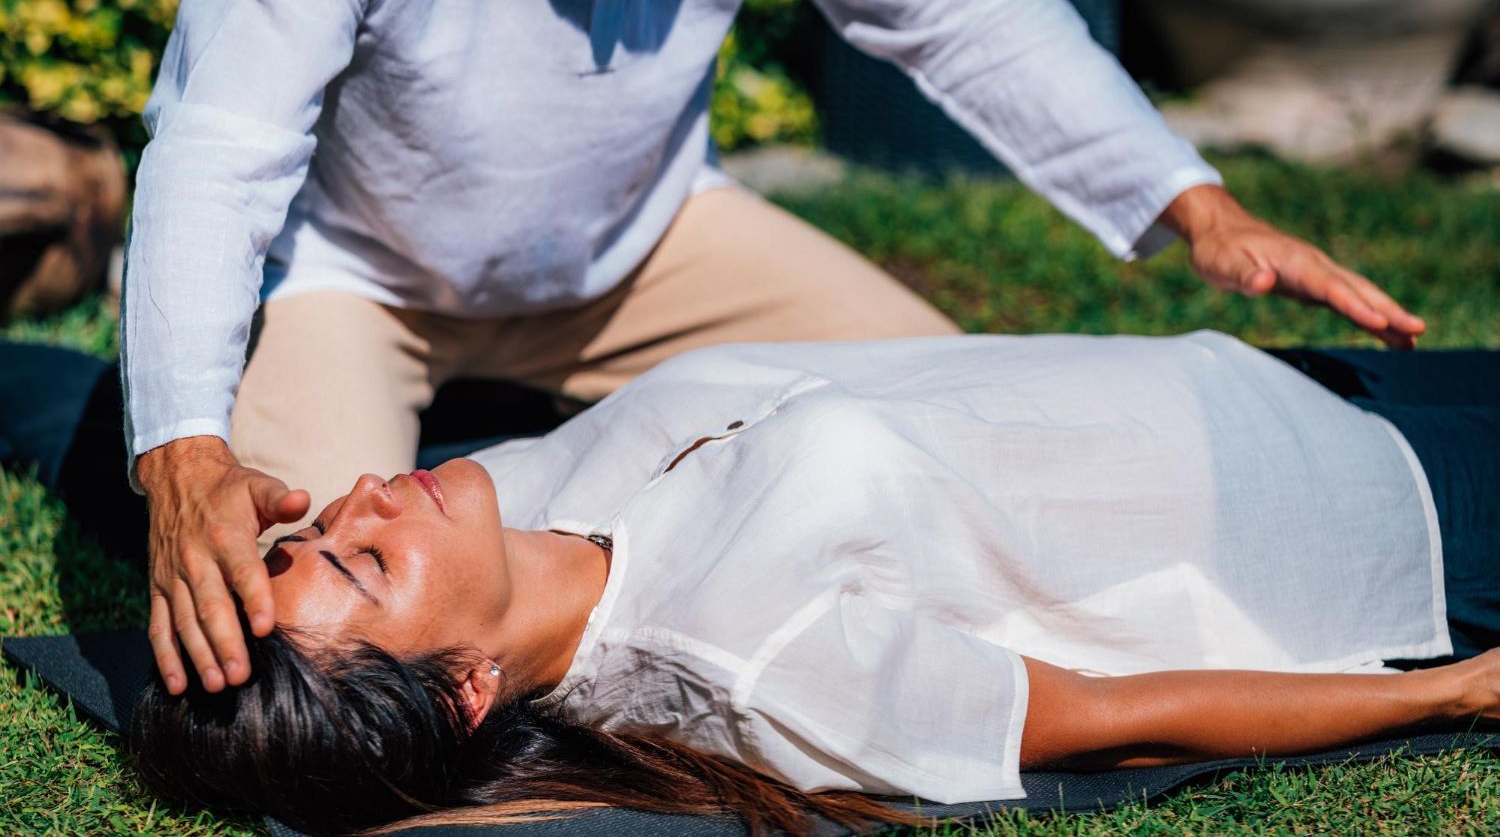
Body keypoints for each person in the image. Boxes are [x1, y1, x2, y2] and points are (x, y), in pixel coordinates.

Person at [125, 0, 1431, 701]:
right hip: (361, 278)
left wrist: (1190, 201)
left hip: (648, 244)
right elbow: (219, 144)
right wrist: (180, 446)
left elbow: (963, 18)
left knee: (973, 448)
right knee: (281, 640)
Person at [129, 331, 1498, 835]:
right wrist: (1449, 694)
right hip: (1383, 512)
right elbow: (1110, 714)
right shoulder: (746, 657)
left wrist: (204, 501)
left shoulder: (517, 521)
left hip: (1272, 380)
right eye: (364, 558)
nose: (371, 496)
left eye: (315, 532)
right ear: (472, 690)